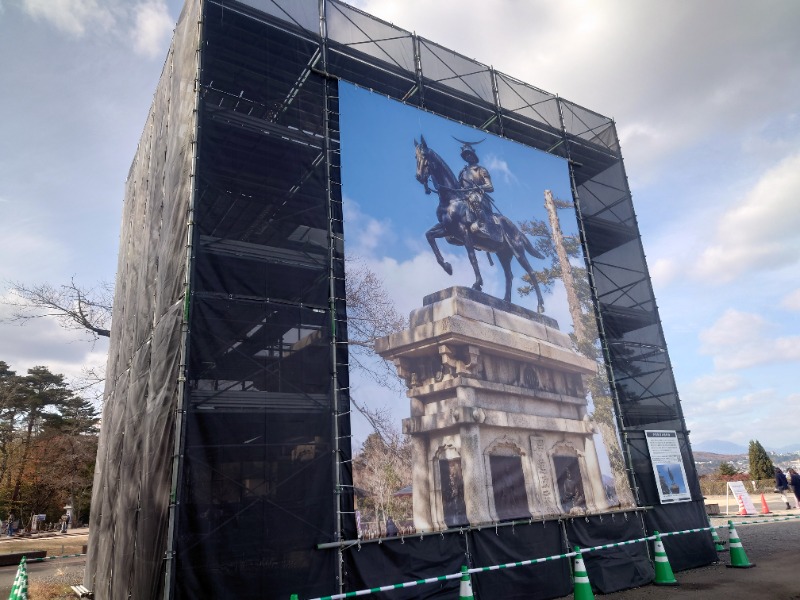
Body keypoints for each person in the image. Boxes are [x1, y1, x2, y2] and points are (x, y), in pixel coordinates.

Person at [456, 140, 500, 241]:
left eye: (469, 154)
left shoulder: (481, 170)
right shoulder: (462, 172)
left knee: (473, 197)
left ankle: (482, 225)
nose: (468, 156)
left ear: (473, 155)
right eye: (466, 155)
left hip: (480, 198)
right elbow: (459, 187)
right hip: (465, 197)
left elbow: (490, 186)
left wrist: (478, 188)